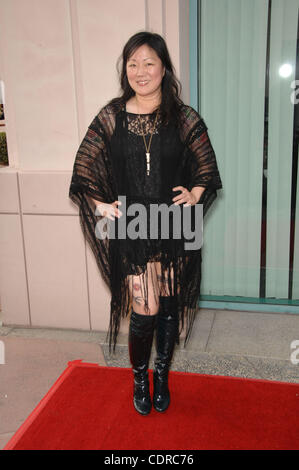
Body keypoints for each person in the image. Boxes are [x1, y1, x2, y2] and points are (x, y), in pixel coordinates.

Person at [69, 31, 222, 416]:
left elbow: (207, 165)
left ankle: (162, 376)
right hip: (133, 224)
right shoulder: (111, 115)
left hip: (173, 223)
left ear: (164, 68)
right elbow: (83, 165)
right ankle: (139, 377)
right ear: (126, 70)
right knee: (145, 308)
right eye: (133, 63)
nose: (141, 71)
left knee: (169, 305)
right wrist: (101, 204)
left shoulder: (184, 116)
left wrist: (196, 194)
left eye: (149, 62)